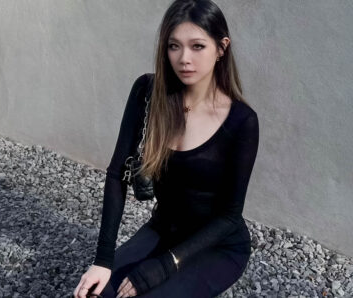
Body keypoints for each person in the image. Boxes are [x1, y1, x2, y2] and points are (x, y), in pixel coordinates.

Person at [74, 0, 259, 297]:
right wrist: (103, 260)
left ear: (221, 48)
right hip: (163, 229)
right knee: (94, 294)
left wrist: (165, 265)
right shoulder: (148, 93)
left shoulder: (241, 121)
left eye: (197, 46)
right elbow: (117, 176)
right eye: (174, 46)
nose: (184, 58)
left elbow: (229, 216)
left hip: (217, 246)